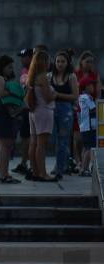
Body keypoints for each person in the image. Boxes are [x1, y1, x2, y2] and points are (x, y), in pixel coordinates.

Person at [26, 51, 56, 182]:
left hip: (33, 111)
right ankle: (43, 173)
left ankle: (35, 171)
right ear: (44, 62)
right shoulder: (43, 77)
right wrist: (56, 93)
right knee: (41, 145)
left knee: (34, 143)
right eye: (48, 60)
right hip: (44, 110)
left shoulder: (31, 76)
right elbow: (48, 97)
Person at [0, 55, 23, 183]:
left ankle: (5, 173)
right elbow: (0, 93)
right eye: (9, 67)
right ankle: (2, 175)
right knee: (4, 145)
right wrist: (15, 93)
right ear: (2, 67)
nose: (11, 69)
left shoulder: (6, 79)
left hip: (9, 114)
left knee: (8, 145)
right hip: (2, 113)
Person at [50, 50, 79, 180]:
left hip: (65, 110)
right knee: (54, 140)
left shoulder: (71, 77)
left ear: (67, 63)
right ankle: (63, 164)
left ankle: (59, 169)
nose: (60, 64)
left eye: (63, 61)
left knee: (63, 140)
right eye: (58, 61)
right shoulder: (49, 76)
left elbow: (75, 95)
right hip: (51, 109)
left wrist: (58, 95)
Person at [74, 51, 102, 171]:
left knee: (89, 139)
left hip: (91, 111)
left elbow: (99, 93)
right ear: (81, 62)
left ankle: (84, 163)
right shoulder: (75, 74)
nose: (89, 64)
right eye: (87, 61)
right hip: (78, 109)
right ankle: (78, 161)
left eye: (91, 62)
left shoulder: (95, 75)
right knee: (78, 138)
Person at [13, 48, 34, 175]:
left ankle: (31, 164)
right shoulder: (23, 71)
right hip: (23, 108)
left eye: (24, 57)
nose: (21, 59)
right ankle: (23, 162)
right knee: (24, 137)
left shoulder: (35, 71)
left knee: (30, 138)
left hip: (31, 108)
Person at [78, 78, 97, 177]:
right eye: (91, 85)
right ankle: (84, 169)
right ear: (86, 87)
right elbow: (93, 109)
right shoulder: (87, 97)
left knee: (85, 148)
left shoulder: (81, 97)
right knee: (89, 148)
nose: (93, 87)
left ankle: (82, 168)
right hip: (89, 126)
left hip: (84, 126)